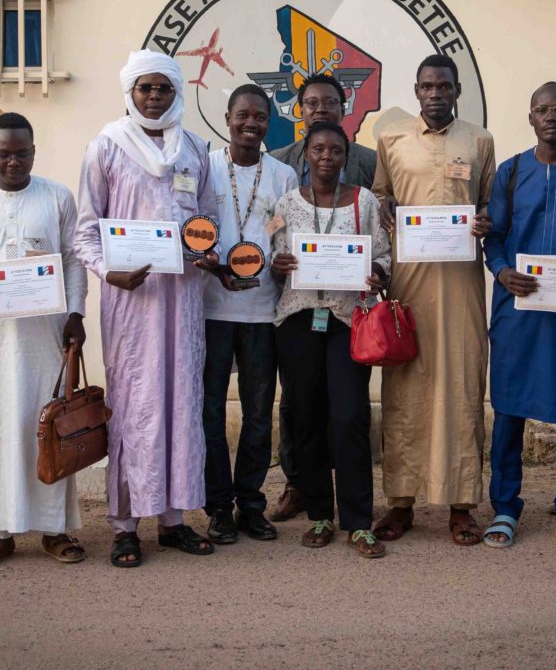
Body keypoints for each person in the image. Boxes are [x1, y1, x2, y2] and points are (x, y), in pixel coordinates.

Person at [74, 50, 219, 567]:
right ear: (129, 92)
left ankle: (174, 520)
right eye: (145, 88)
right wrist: (107, 272)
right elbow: (87, 231)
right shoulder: (107, 147)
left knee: (181, 403)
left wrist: (210, 254)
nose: (154, 96)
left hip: (181, 300)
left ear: (176, 92)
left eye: (163, 88)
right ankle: (125, 525)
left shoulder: (196, 149)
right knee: (135, 405)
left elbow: (207, 219)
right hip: (131, 302)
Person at [372, 54, 495, 546]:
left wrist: (485, 220)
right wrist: (383, 209)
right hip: (409, 284)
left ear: (457, 89)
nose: (435, 94)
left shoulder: (479, 140)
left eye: (444, 86)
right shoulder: (392, 139)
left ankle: (462, 504)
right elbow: (381, 198)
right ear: (416, 90)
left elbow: (488, 203)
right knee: (406, 385)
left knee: (462, 381)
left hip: (461, 284)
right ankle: (401, 503)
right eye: (427, 86)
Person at [483, 82, 556, 550]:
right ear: (530, 118)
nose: (551, 116)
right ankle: (506, 508)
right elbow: (492, 237)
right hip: (519, 311)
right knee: (509, 408)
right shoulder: (511, 172)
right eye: (541, 110)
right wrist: (502, 271)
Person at [272, 121, 390, 558]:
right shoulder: (285, 204)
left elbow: (381, 252)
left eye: (335, 150)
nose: (326, 157)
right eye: (318, 149)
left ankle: (358, 521)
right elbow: (271, 252)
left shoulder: (366, 202)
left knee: (349, 417)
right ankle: (320, 514)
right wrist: (276, 264)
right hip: (298, 321)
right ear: (306, 154)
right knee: (306, 417)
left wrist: (378, 273)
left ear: (345, 156)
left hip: (347, 321)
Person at [202, 84, 297, 544]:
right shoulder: (205, 168)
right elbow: (193, 227)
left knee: (259, 414)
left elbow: (285, 231)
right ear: (227, 118)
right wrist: (211, 265)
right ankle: (218, 507)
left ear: (268, 122)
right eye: (243, 115)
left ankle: (251, 504)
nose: (251, 123)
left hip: (263, 312)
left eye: (259, 116)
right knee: (211, 412)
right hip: (212, 308)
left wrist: (282, 258)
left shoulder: (282, 176)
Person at [0, 112, 87, 563]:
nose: (13, 162)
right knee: (3, 431)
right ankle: (2, 529)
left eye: (21, 153)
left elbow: (73, 260)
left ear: (34, 152)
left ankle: (55, 531)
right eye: (3, 154)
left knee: (49, 429)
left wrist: (75, 313)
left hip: (45, 337)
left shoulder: (56, 196)